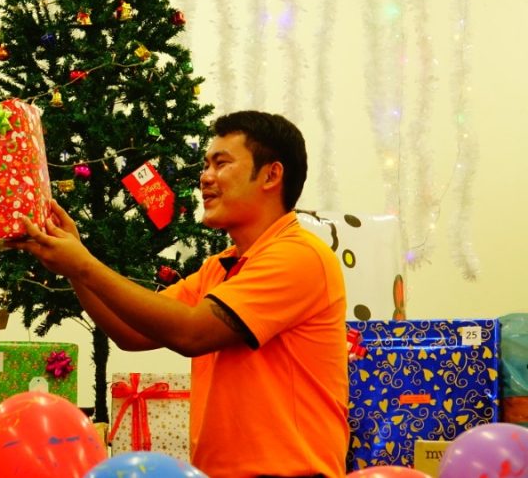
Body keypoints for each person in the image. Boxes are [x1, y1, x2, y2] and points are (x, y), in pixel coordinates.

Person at [19, 111, 348, 478]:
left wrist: (83, 265)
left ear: (271, 175)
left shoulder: (299, 255)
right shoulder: (219, 267)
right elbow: (131, 334)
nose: (205, 177)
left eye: (221, 163)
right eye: (206, 165)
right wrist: (73, 265)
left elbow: (192, 333)